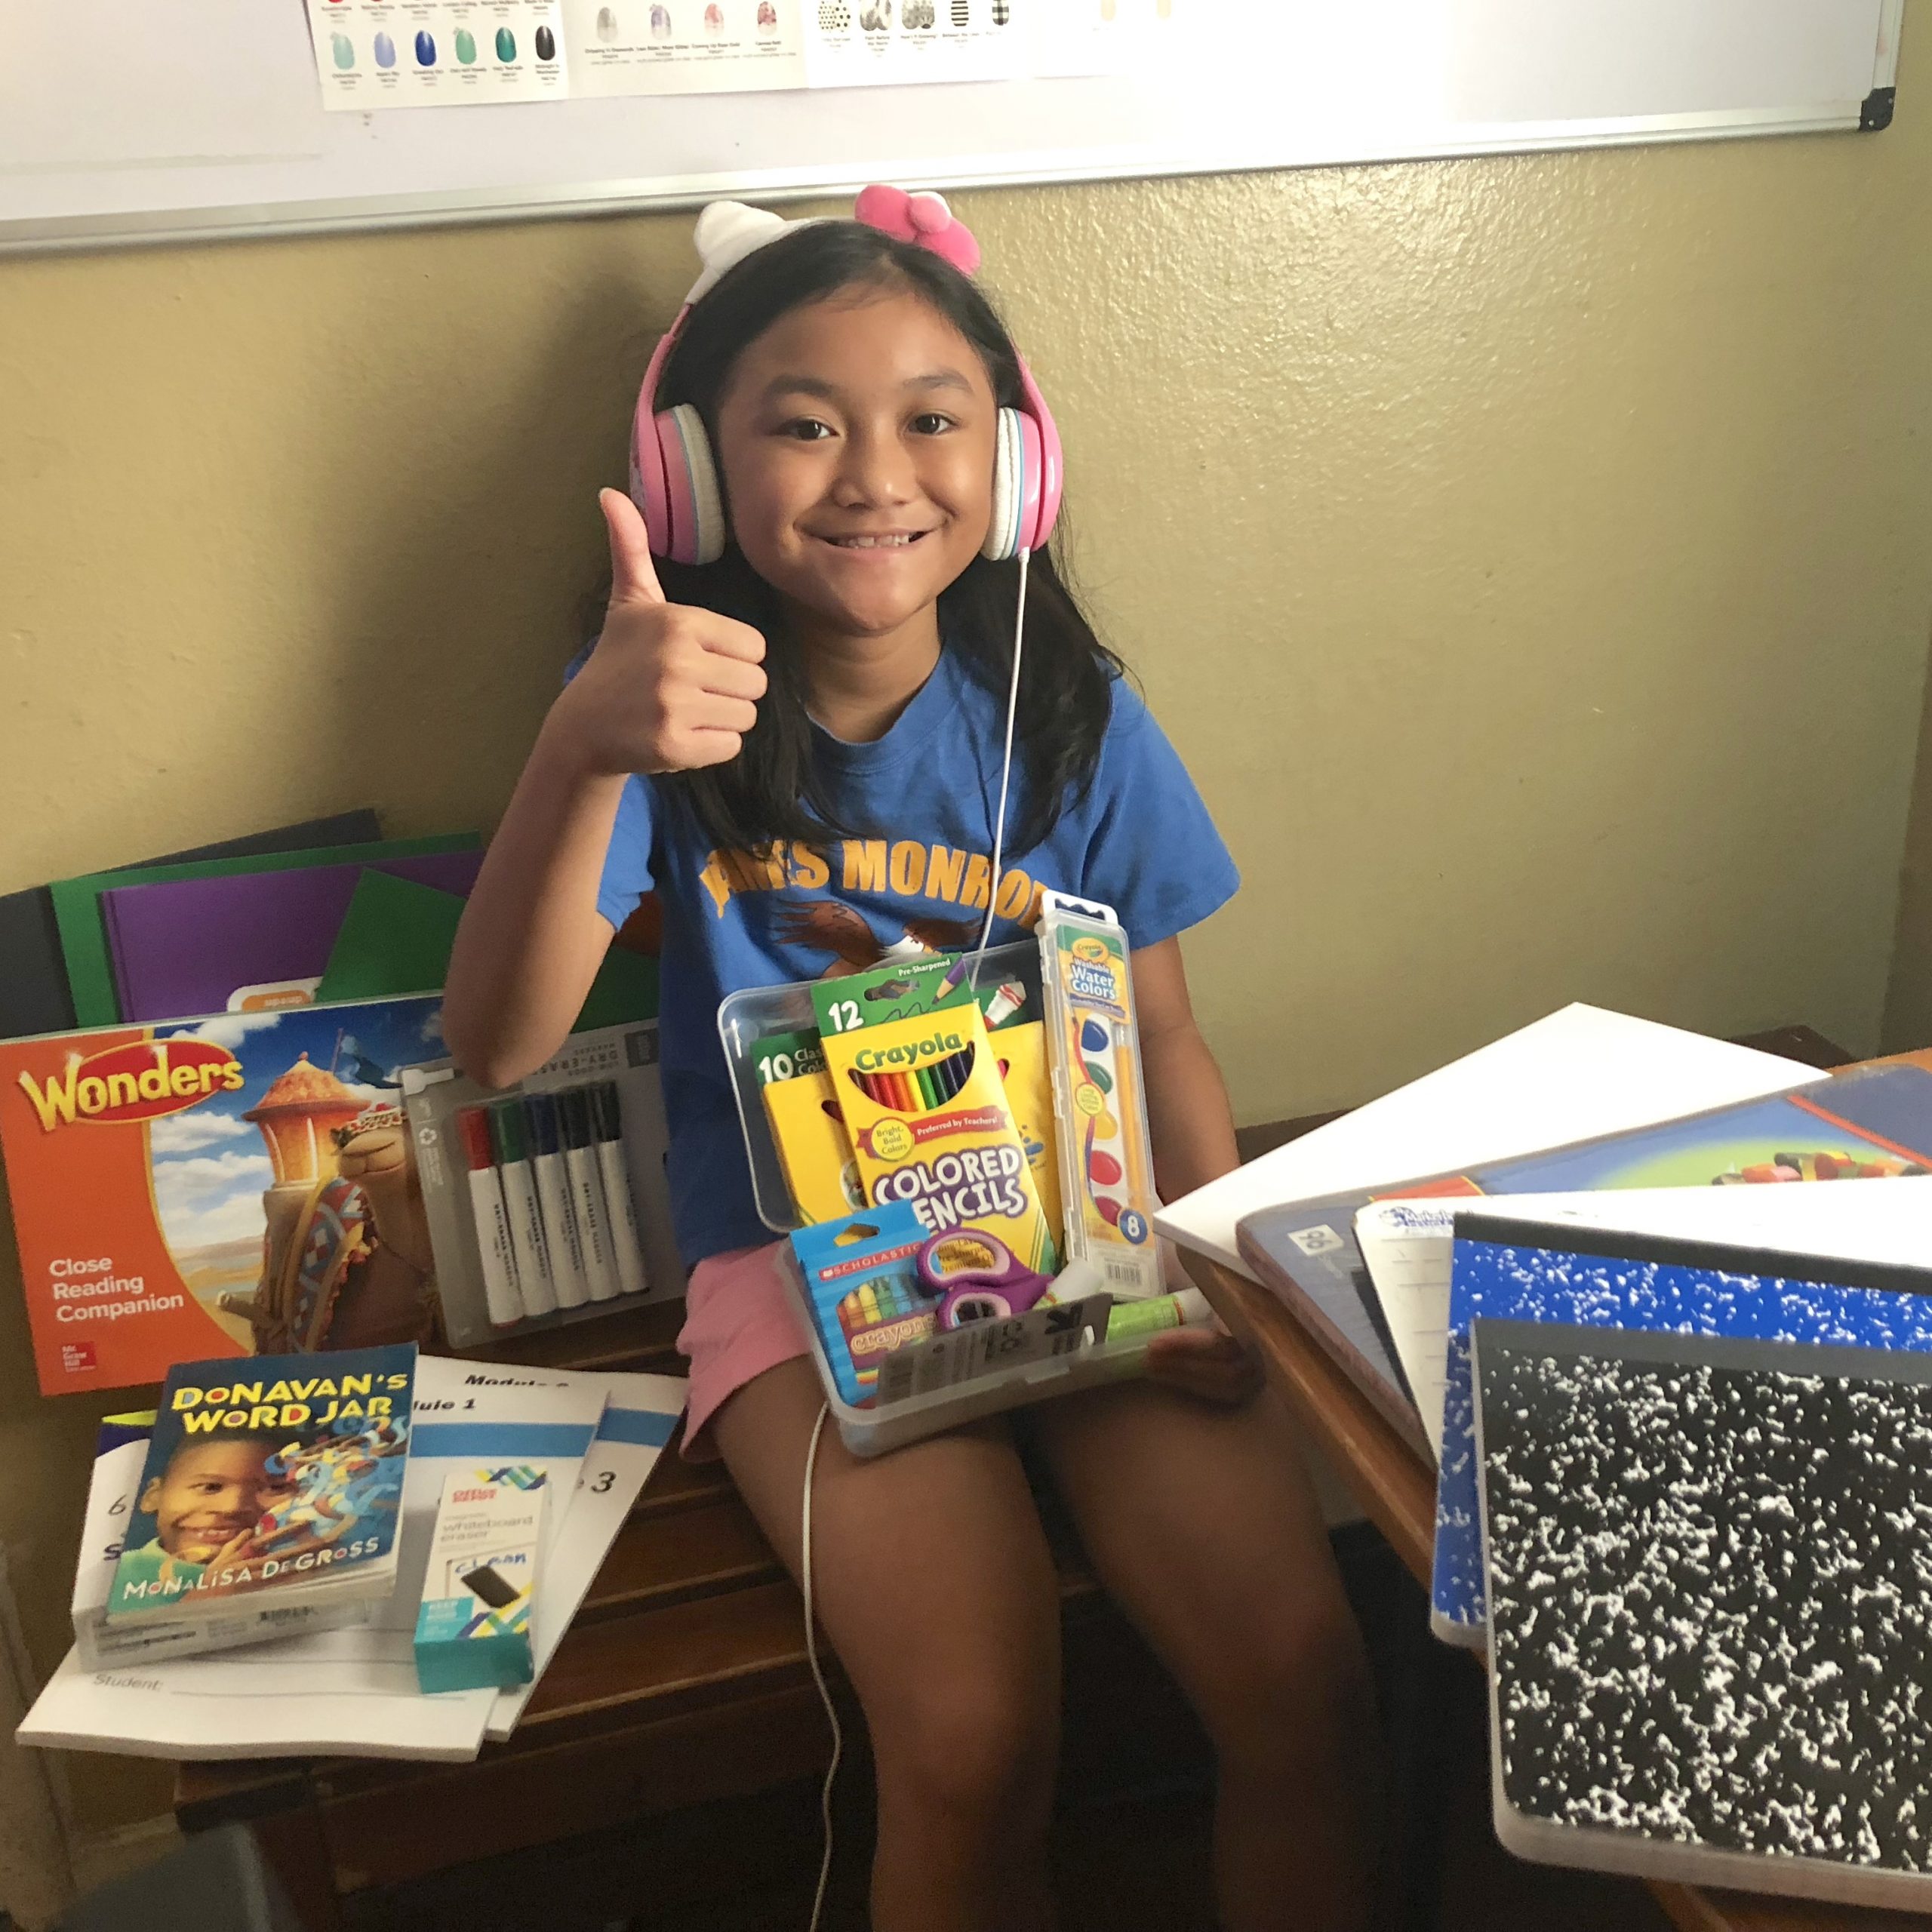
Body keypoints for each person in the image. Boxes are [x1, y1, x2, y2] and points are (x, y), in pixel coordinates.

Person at [445, 187, 1379, 1932]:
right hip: (797, 1265)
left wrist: (1201, 1264)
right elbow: (496, 1044)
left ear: (1011, 467)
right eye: (804, 424)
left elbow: (1160, 1028)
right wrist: (581, 747)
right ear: (692, 473)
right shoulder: (656, 710)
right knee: (967, 1734)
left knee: (1306, 1676)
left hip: (1084, 1235)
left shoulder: (1072, 712)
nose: (874, 473)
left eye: (930, 419)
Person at [117, 1435, 288, 1598]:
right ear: (154, 1497)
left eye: (273, 1488)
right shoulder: (118, 1576)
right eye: (211, 1487)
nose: (232, 1508)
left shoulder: (293, 1575)